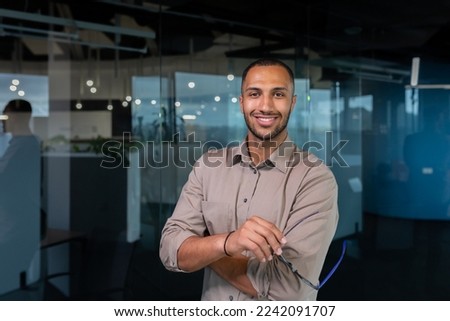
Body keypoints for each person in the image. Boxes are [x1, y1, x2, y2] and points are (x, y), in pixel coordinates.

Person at [159, 58, 339, 300]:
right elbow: (171, 250)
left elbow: (286, 291)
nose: (265, 106)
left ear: (292, 103)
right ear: (242, 102)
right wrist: (227, 243)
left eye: (278, 94)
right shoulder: (208, 167)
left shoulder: (315, 179)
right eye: (255, 94)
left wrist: (205, 246)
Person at [0, 99, 41, 295]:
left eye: (6, 116)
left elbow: (4, 179)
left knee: (7, 279)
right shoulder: (22, 145)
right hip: (15, 221)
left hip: (17, 224)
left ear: (17, 118)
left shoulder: (24, 146)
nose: (3, 121)